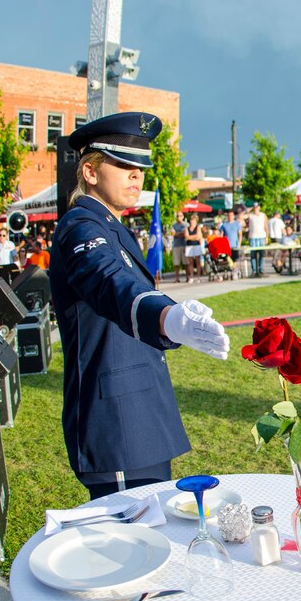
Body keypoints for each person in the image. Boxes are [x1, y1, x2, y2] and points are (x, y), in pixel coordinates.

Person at [50, 112, 230, 499]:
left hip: (136, 413)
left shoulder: (110, 225)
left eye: (141, 167)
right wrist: (166, 317)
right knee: (131, 541)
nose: (137, 175)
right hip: (116, 422)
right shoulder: (81, 225)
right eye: (124, 165)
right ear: (90, 171)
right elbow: (109, 282)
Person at [247, 203, 268, 275]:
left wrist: (267, 237)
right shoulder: (251, 215)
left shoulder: (263, 215)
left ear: (259, 207)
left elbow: (265, 226)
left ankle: (261, 269)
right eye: (254, 207)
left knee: (262, 254)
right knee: (253, 255)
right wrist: (247, 210)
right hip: (253, 237)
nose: (255, 208)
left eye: (256, 207)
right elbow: (240, 217)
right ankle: (254, 270)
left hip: (261, 236)